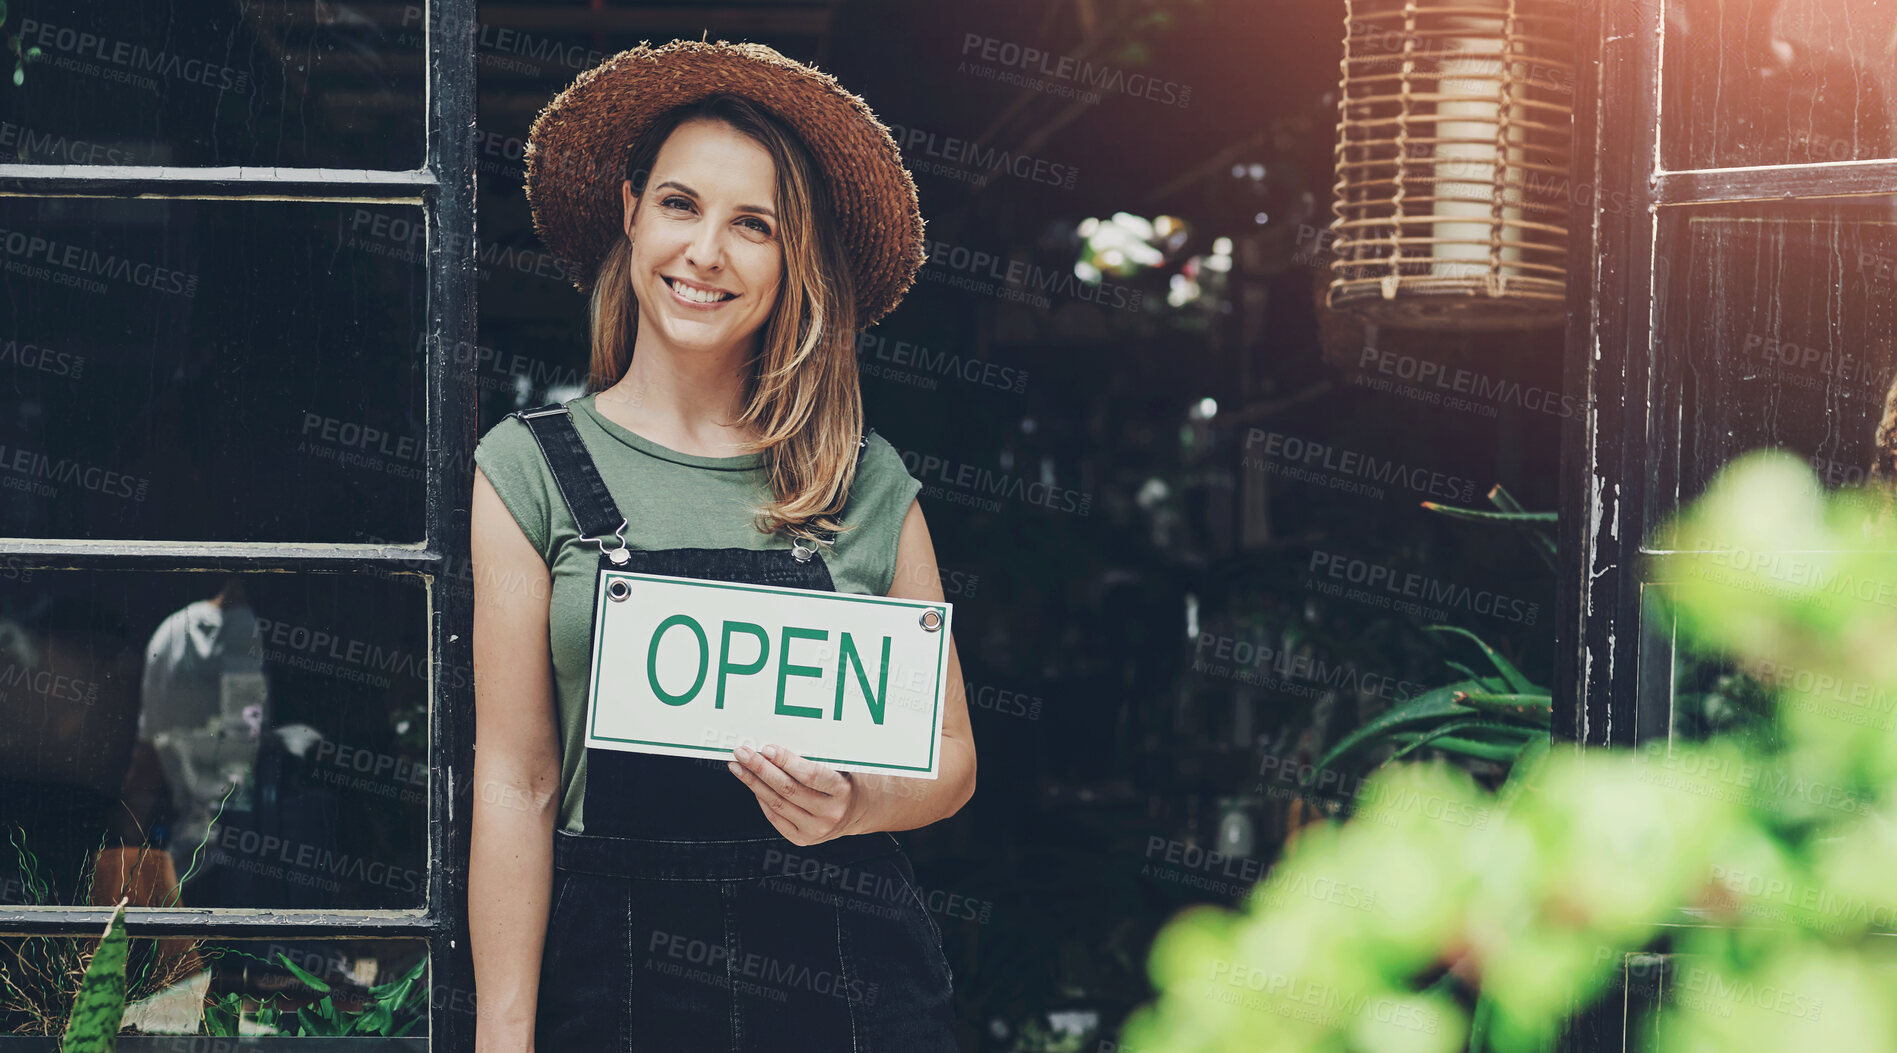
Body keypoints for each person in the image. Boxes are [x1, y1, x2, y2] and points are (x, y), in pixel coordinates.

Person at [467, 40, 975, 1052]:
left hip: (845, 986)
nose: (706, 252)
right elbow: (516, 782)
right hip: (610, 984)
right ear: (630, 212)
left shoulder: (861, 481)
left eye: (754, 226)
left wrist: (855, 803)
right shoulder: (527, 470)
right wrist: (503, 1032)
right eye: (681, 205)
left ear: (795, 263)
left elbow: (953, 759)